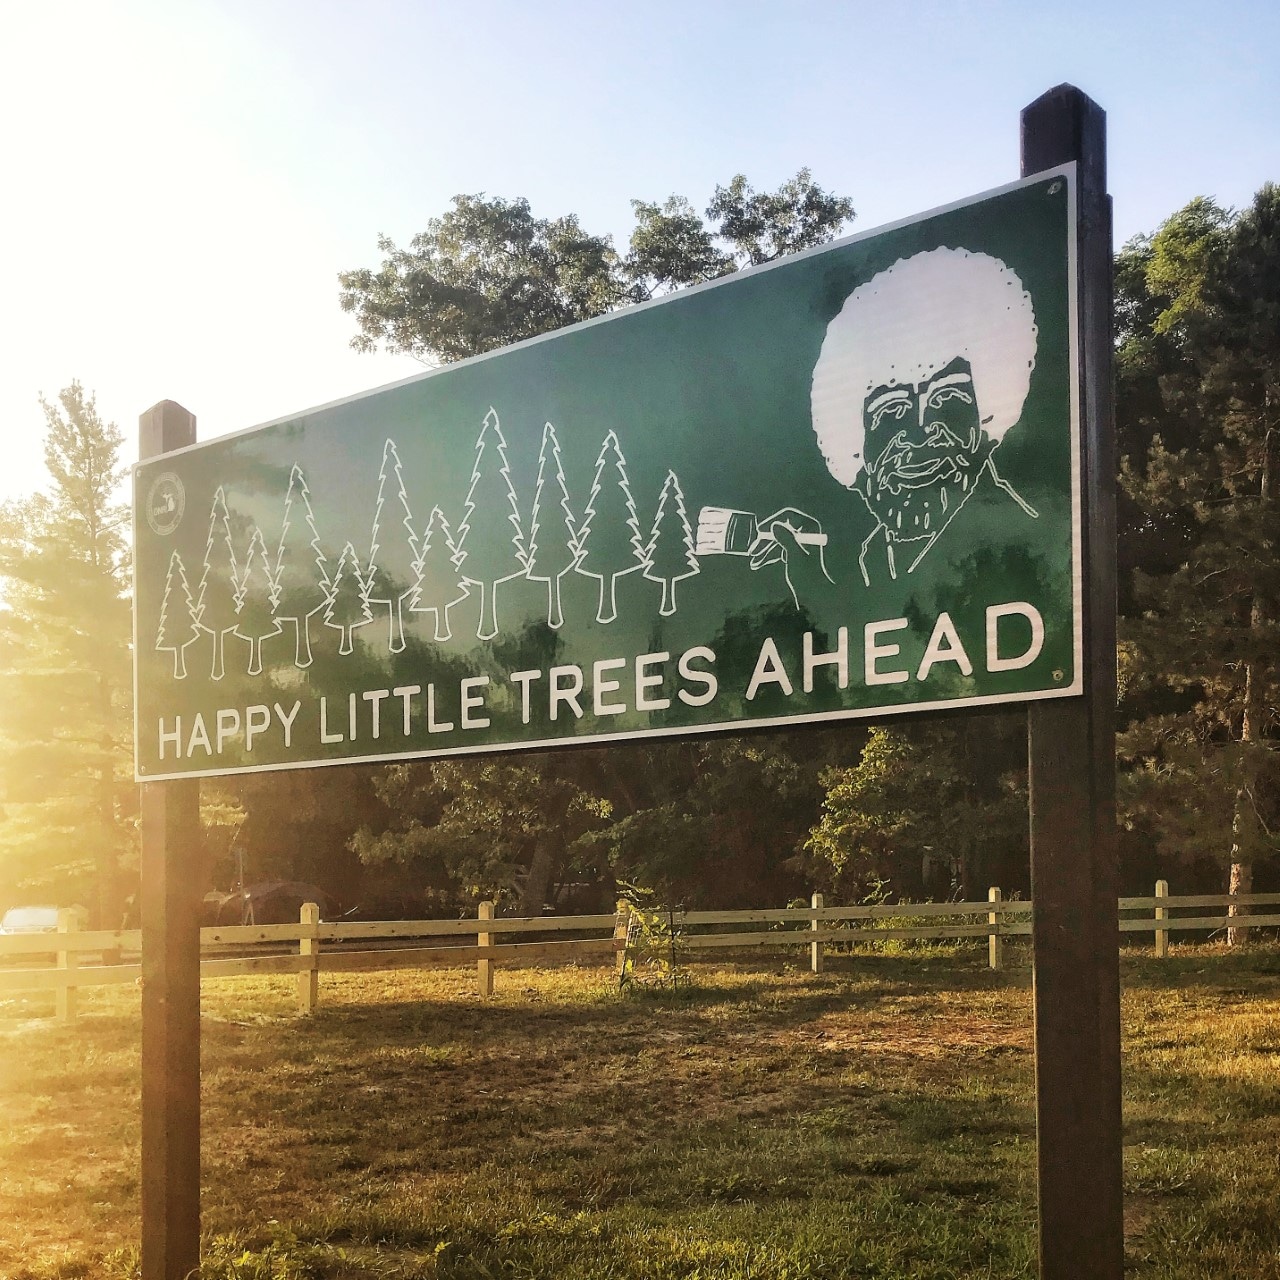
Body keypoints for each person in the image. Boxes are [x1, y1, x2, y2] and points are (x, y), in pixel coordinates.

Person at [748, 246, 1040, 600]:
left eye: (947, 398)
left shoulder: (1023, 546)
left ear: (987, 416)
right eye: (890, 410)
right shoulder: (869, 561)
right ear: (855, 441)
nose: (918, 435)